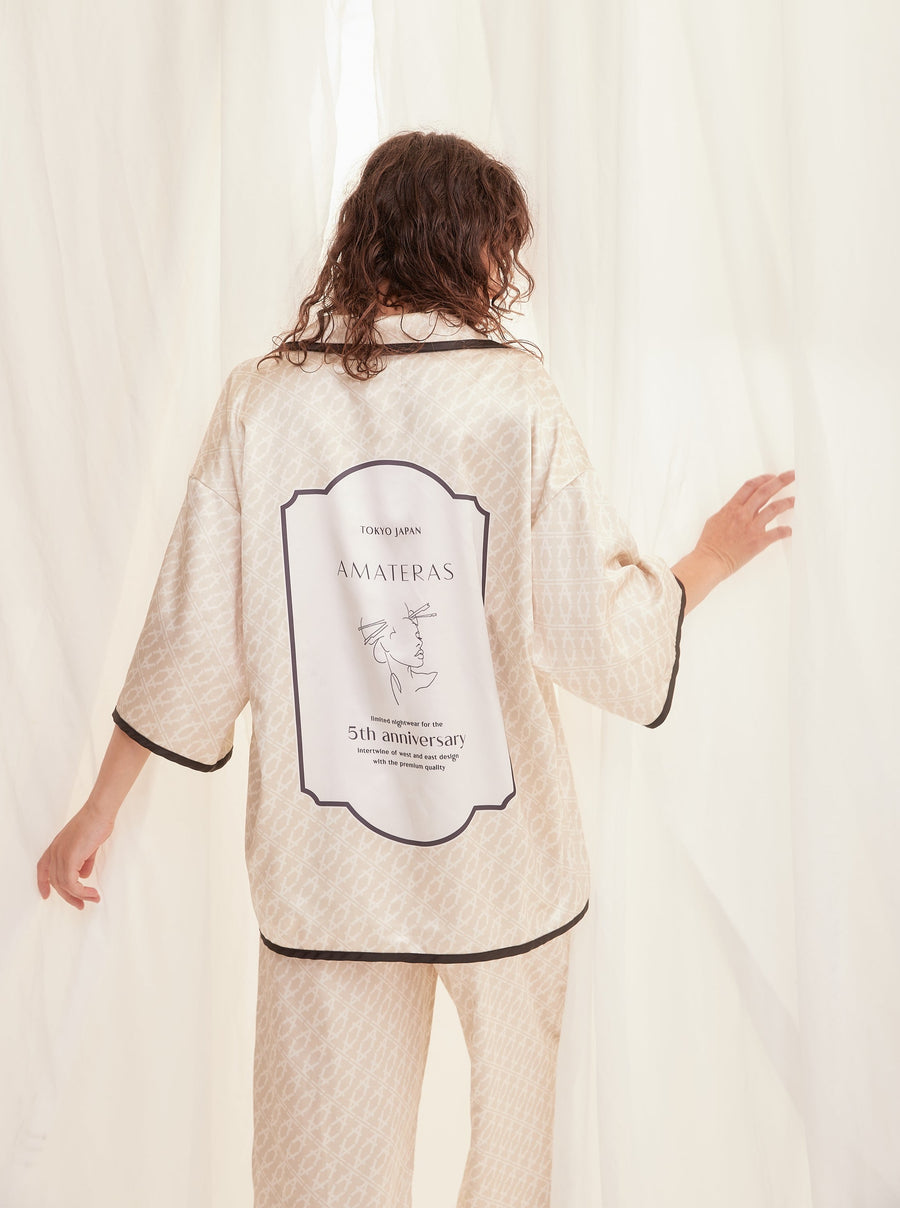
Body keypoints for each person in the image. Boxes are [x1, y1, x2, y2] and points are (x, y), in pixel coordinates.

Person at [37, 131, 794, 1207]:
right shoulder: (511, 398)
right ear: (464, 243)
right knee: (522, 1162)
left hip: (330, 869)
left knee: (320, 1179)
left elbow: (191, 629)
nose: (503, 269)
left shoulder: (262, 401)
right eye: (498, 244)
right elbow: (595, 624)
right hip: (501, 864)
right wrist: (707, 560)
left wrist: (101, 806)